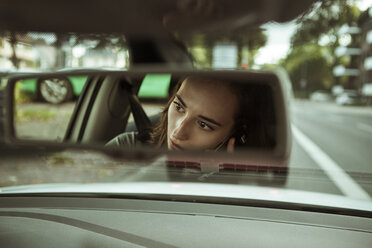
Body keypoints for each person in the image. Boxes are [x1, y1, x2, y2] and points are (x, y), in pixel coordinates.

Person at [106, 75, 270, 151]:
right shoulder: (126, 149)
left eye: (204, 124)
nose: (178, 132)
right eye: (179, 107)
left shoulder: (242, 187)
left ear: (235, 133)